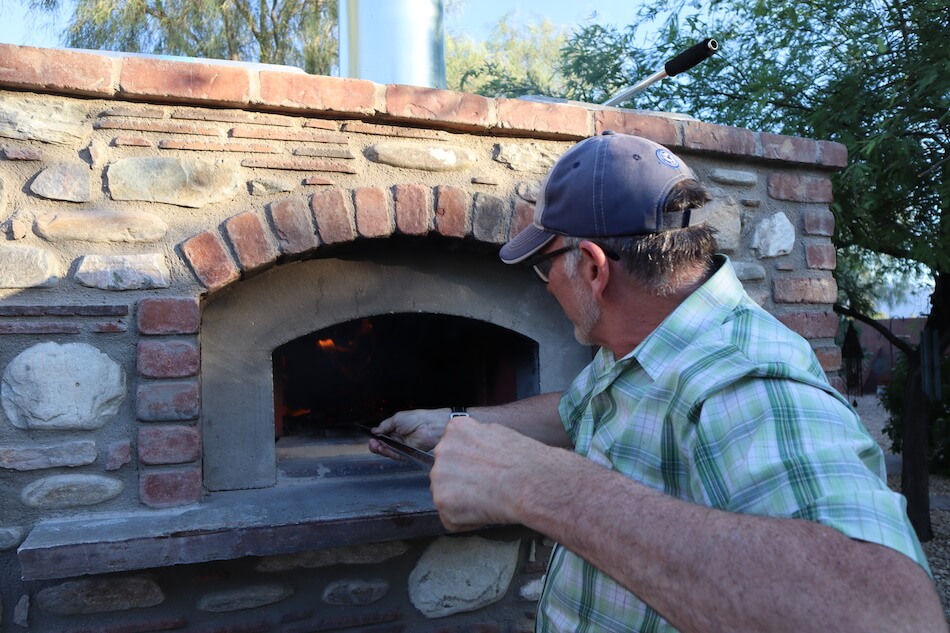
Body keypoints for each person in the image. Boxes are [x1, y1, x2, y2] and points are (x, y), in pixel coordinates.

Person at [369, 132, 947, 632]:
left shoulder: (743, 379)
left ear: (594, 268)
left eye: (546, 265)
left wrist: (541, 486)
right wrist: (455, 422)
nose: (544, 283)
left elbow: (884, 615)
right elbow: (573, 412)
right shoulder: (639, 342)